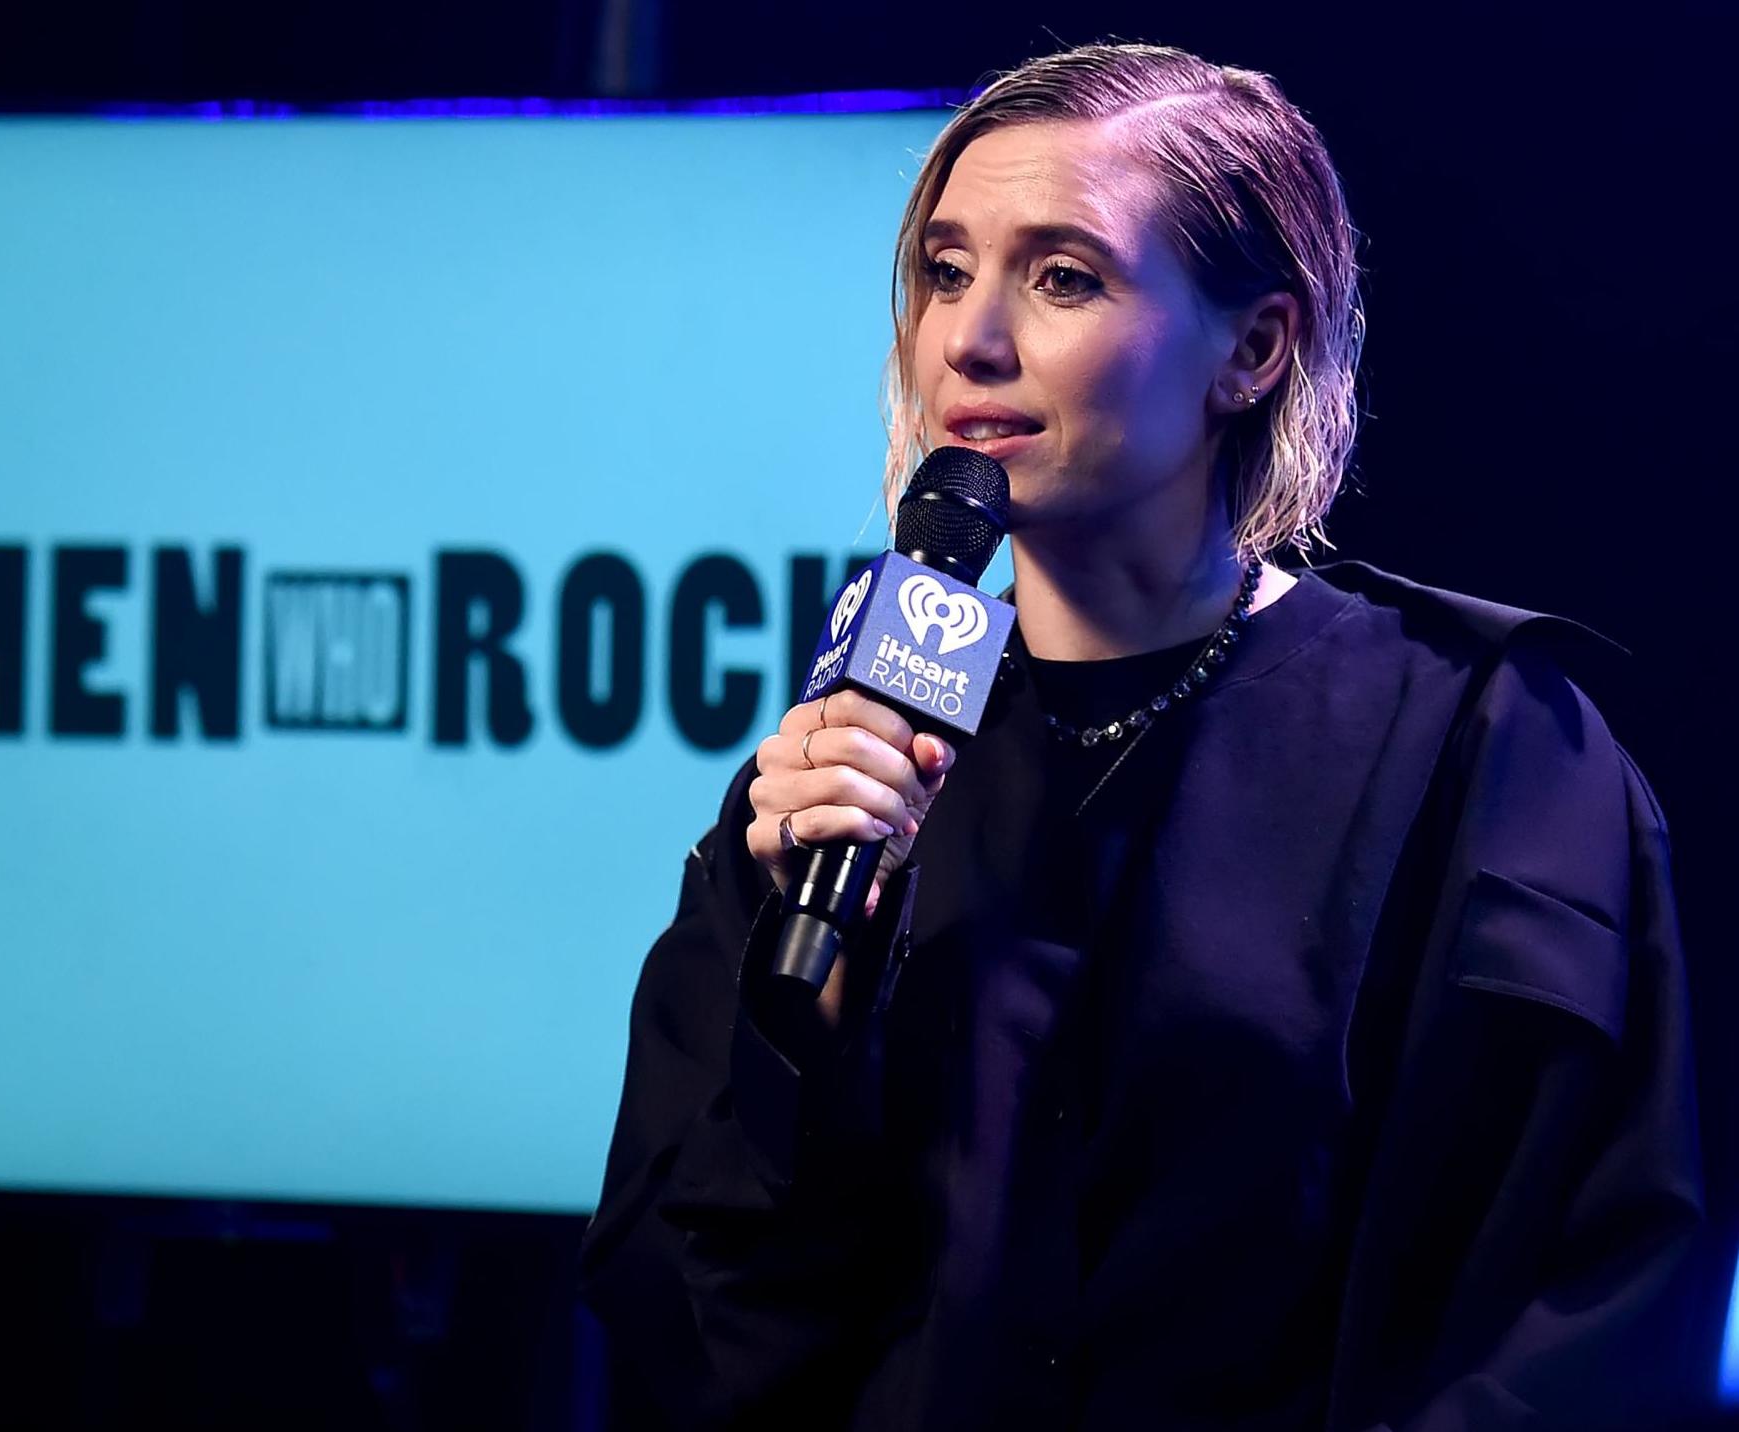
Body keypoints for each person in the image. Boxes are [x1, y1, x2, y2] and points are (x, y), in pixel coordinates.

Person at [576, 41, 1708, 1432]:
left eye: (1062, 277)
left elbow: (1606, 1295)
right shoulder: (843, 767)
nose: (967, 341)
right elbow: (678, 1305)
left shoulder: (1483, 746)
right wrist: (801, 1011)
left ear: (1252, 349)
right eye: (943, 272)